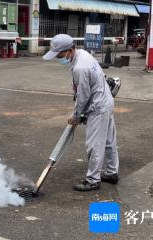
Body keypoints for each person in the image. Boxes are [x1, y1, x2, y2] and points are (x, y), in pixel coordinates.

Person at [42, 34, 119, 191]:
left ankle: (92, 180)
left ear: (70, 50)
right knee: (109, 141)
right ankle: (112, 173)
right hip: (106, 100)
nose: (58, 58)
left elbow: (83, 97)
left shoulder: (80, 68)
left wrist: (76, 116)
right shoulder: (83, 53)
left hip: (98, 107)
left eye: (60, 54)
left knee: (95, 144)